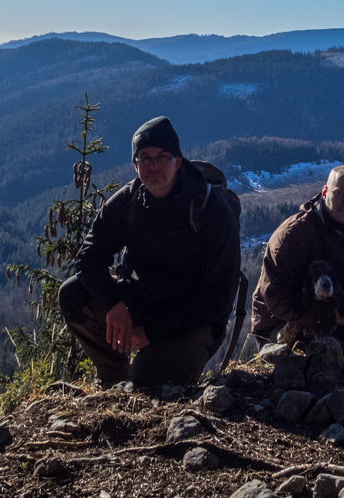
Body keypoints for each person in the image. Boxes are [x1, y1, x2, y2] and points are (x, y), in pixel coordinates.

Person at [58, 116, 240, 387]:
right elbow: (88, 256)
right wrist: (113, 303)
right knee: (73, 295)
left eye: (162, 157)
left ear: (178, 161)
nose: (153, 166)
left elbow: (219, 298)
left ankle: (144, 375)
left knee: (145, 390)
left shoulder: (209, 211)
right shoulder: (129, 201)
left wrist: (151, 333)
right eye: (145, 158)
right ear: (135, 165)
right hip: (143, 302)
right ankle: (113, 377)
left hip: (191, 320)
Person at [250, 165, 344, 356]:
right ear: (325, 193)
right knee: (329, 354)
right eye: (338, 193)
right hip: (283, 324)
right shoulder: (294, 235)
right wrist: (329, 317)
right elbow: (275, 298)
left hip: (335, 314)